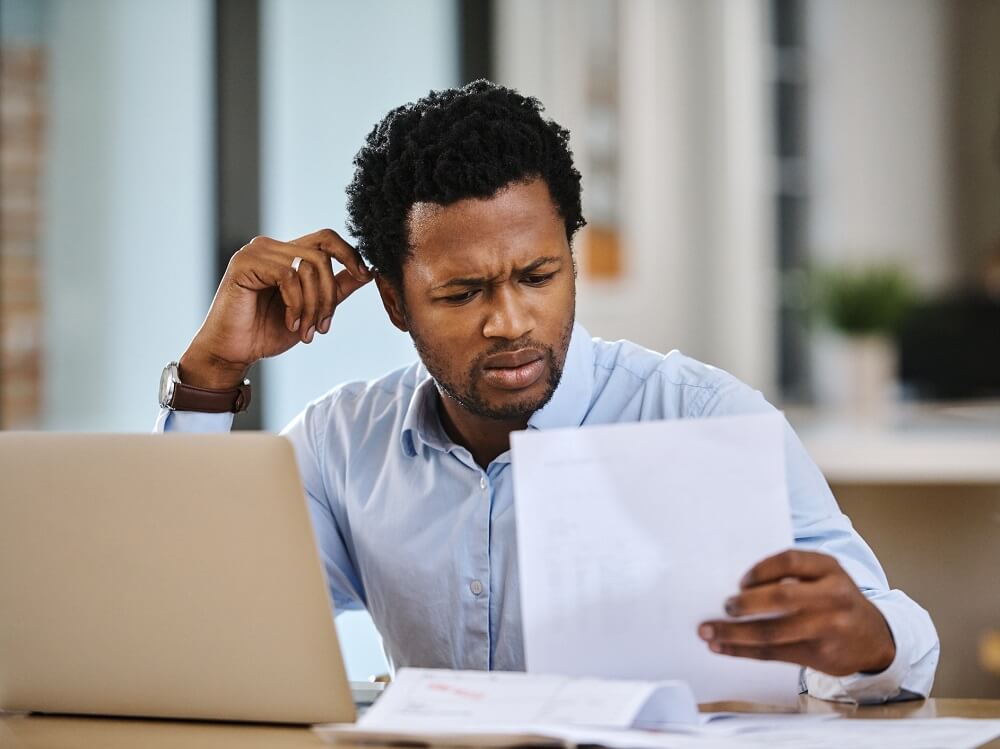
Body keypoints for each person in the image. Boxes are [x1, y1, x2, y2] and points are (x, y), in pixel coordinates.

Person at [155, 80, 938, 703]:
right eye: (461, 293)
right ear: (394, 301)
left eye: (538, 276)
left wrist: (865, 639)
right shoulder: (342, 443)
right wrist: (210, 376)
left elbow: (899, 650)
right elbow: (194, 619)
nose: (509, 320)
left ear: (569, 255)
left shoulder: (700, 417)